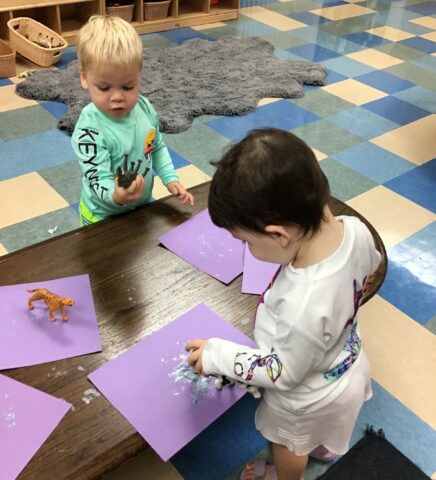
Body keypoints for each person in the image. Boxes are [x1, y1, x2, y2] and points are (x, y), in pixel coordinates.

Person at [186, 128, 381, 480]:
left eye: (245, 241)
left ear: (278, 234)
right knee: (323, 428)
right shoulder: (355, 229)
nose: (246, 250)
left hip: (308, 397)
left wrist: (218, 356)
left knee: (289, 446)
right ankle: (322, 443)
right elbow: (371, 266)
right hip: (349, 363)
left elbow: (281, 373)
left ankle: (283, 476)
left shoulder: (303, 303)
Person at [71, 15, 194, 225]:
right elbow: (97, 178)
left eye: (128, 87)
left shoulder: (145, 108)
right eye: (104, 87)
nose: (117, 97)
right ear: (84, 78)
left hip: (142, 207)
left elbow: (156, 148)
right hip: (101, 217)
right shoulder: (89, 131)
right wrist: (116, 196)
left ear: (139, 75)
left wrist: (170, 178)